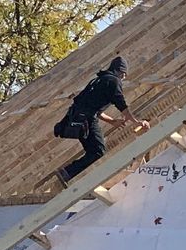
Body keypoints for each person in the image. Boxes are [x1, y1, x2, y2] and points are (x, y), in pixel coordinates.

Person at [53, 56, 147, 185]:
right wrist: (136, 122)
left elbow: (95, 109)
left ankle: (67, 173)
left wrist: (112, 121)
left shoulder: (98, 80)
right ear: (120, 71)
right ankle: (67, 173)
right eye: (124, 74)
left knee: (93, 151)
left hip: (77, 118)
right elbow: (122, 105)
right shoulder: (114, 81)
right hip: (86, 120)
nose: (124, 78)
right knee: (98, 151)